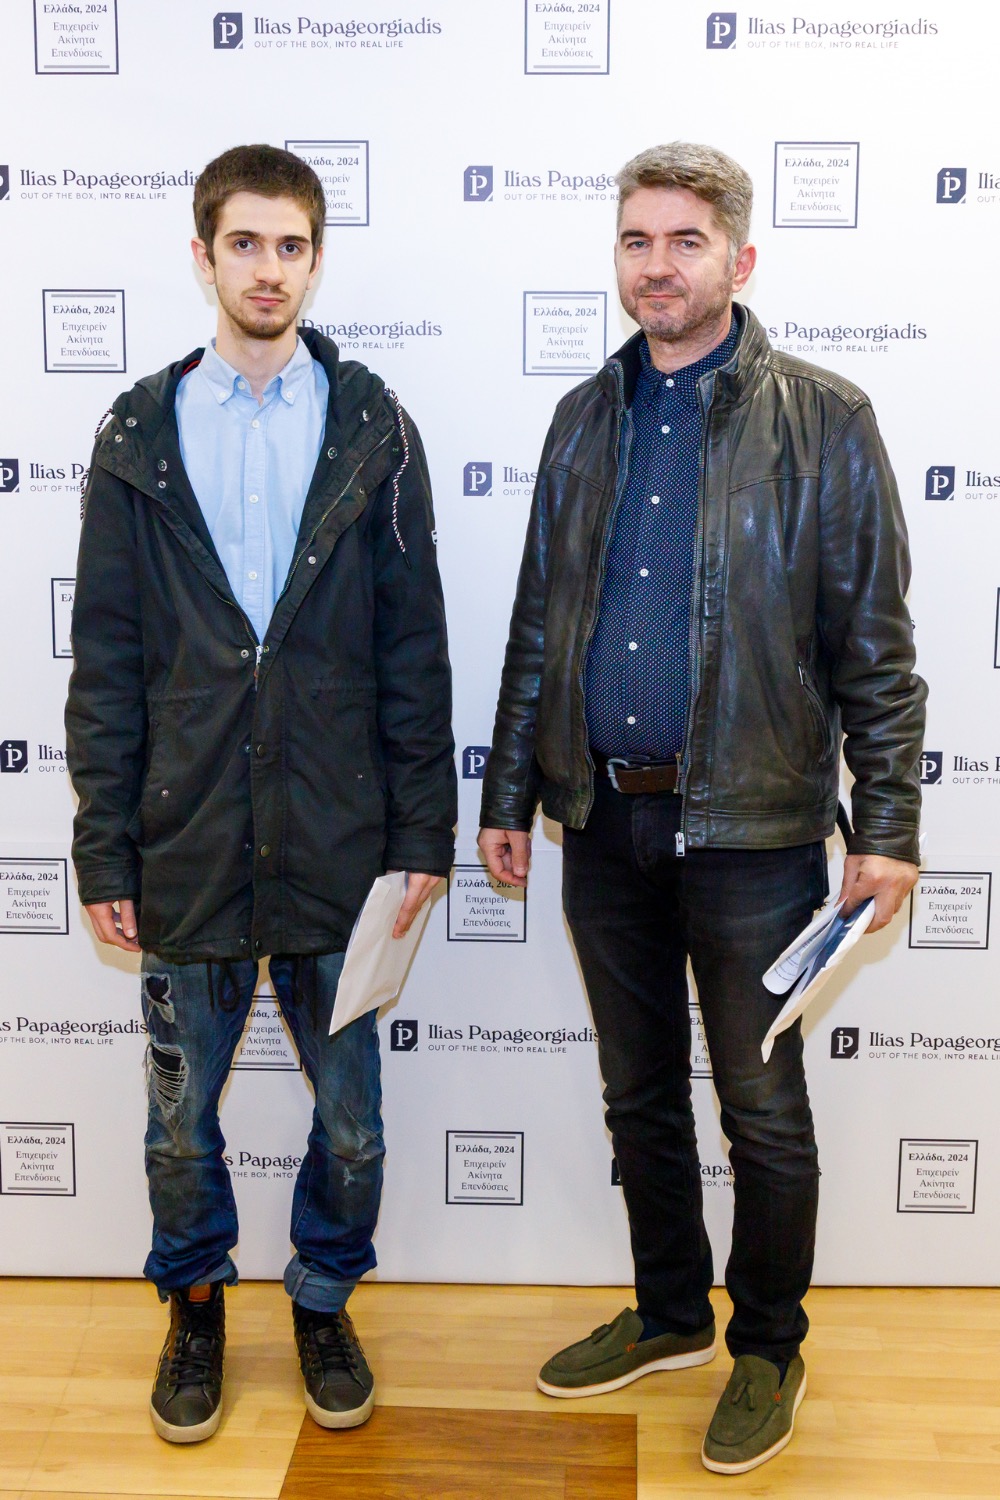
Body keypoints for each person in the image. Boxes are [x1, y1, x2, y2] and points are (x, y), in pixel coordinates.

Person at [478, 141, 925, 1475]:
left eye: (685, 241)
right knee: (638, 1095)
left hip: (757, 832)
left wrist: (888, 826)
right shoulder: (583, 419)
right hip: (601, 822)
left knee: (762, 1108)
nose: (657, 266)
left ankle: (768, 1348)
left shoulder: (825, 420)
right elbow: (538, 626)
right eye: (636, 240)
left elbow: (877, 651)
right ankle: (672, 1312)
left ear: (740, 258)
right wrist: (509, 790)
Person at [65, 144, 456, 1444]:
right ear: (204, 256)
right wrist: (104, 850)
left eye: (291, 246)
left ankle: (324, 1298)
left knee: (352, 1127)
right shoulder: (136, 436)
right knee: (180, 1130)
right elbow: (108, 662)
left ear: (316, 260)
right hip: (183, 840)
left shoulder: (373, 427)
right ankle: (195, 1308)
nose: (268, 269)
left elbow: (413, 649)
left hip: (342, 845)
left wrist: (423, 835)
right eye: (245, 243)